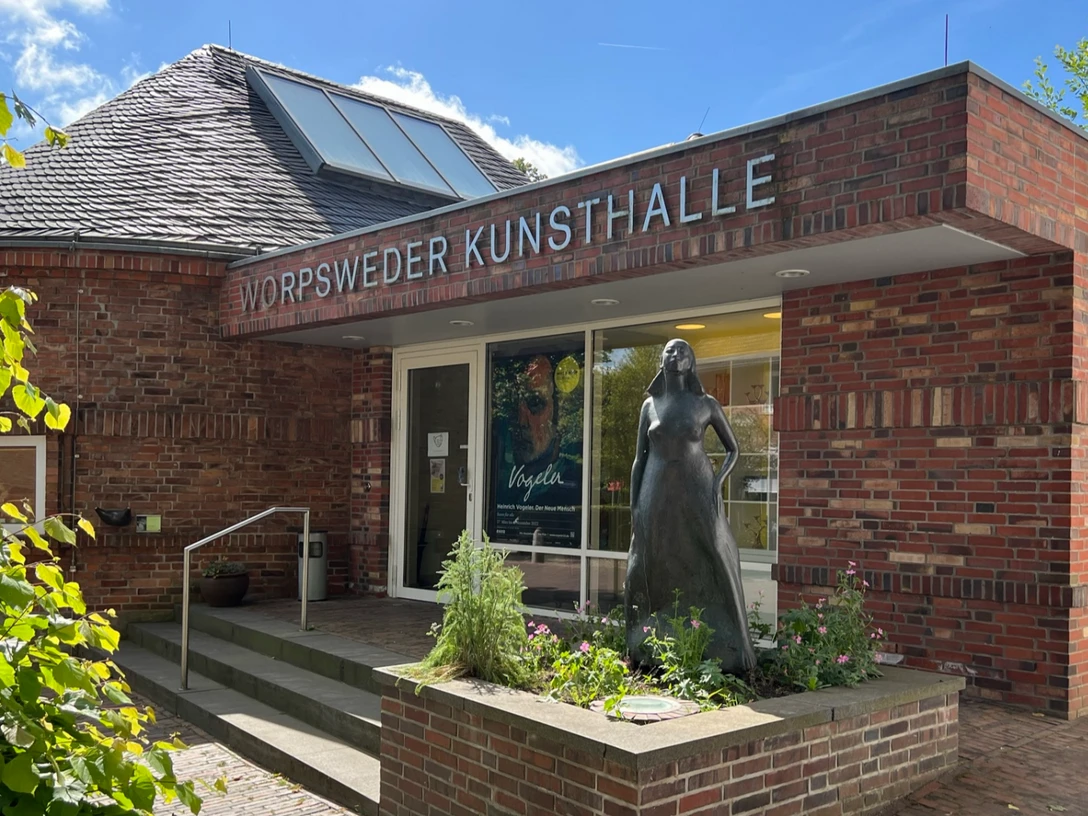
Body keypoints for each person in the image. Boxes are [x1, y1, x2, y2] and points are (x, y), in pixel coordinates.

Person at [626, 339, 756, 675]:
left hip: (698, 486)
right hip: (655, 488)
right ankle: (647, 640)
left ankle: (735, 643)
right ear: (661, 359)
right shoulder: (649, 406)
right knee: (651, 556)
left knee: (713, 547)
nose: (675, 355)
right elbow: (638, 460)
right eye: (669, 350)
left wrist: (718, 482)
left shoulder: (705, 404)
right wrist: (634, 505)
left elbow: (733, 449)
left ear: (691, 362)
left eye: (682, 351)